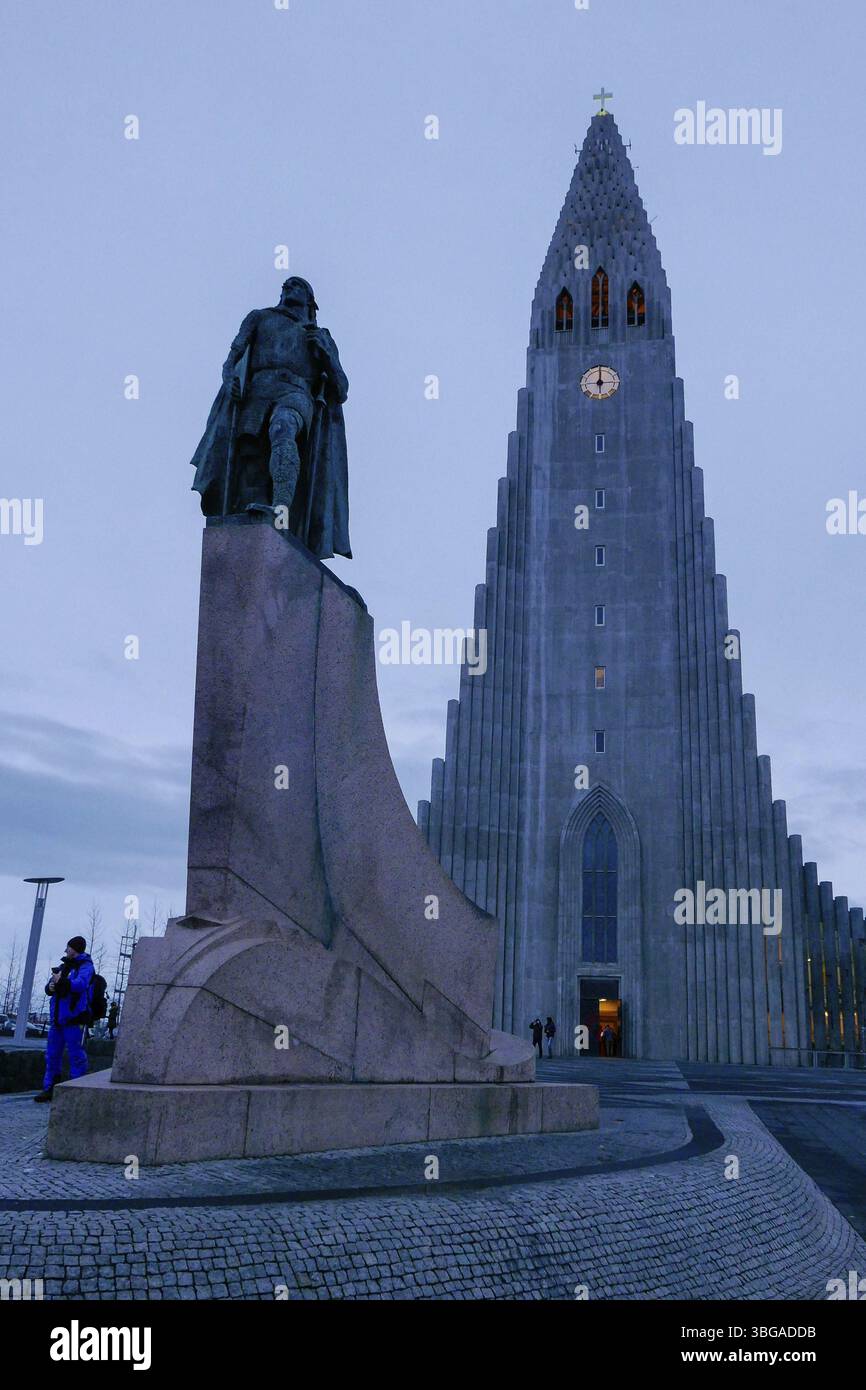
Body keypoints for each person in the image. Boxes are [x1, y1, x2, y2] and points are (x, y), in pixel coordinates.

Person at [33, 937, 95, 1103]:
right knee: (52, 1056)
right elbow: (50, 987)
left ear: (74, 949)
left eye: (68, 948)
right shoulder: (63, 966)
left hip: (74, 1020)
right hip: (57, 1021)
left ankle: (75, 1091)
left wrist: (62, 982)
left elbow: (80, 984)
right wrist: (51, 986)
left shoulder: (86, 967)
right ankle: (49, 1088)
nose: (65, 951)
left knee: (76, 1056)